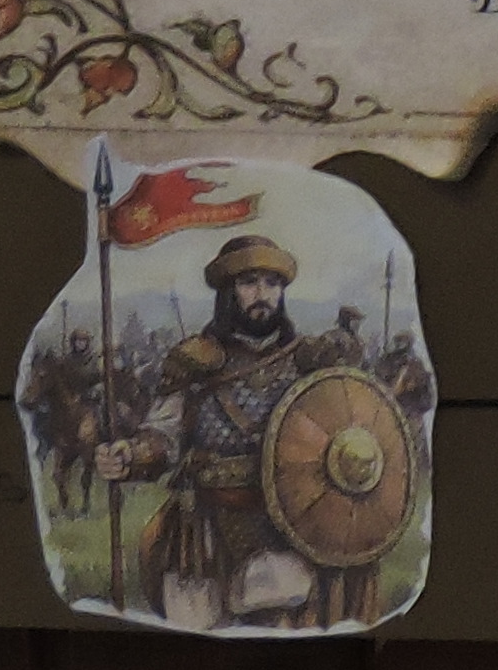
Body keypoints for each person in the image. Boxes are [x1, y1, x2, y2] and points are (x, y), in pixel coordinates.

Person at [94, 235, 382, 633]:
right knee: (195, 627)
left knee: (280, 619)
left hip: (283, 528)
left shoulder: (307, 363)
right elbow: (164, 433)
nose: (262, 294)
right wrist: (129, 455)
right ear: (229, 292)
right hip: (203, 530)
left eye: (272, 283)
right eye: (249, 283)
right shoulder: (195, 360)